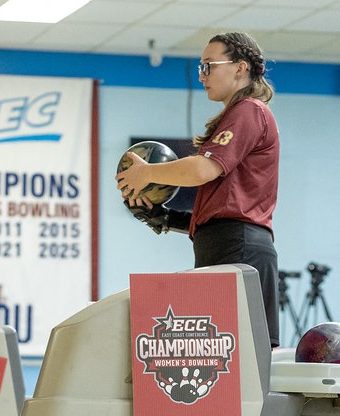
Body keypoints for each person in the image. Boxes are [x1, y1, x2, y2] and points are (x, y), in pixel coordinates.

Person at [116, 31, 281, 349]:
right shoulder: (237, 115)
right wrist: (166, 218)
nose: (202, 76)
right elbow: (218, 212)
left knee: (239, 361)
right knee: (219, 359)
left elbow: (202, 170)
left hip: (239, 250)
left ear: (240, 68)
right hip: (227, 246)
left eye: (209, 66)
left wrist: (145, 173)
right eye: (200, 68)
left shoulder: (249, 110)